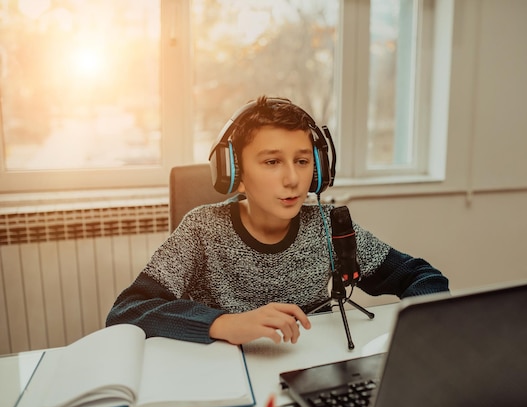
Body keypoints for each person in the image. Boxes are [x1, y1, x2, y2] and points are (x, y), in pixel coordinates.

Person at [106, 96, 448, 346]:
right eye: (271, 162)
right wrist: (224, 324)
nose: (292, 179)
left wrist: (417, 338)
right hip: (224, 374)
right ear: (235, 174)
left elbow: (423, 277)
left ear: (319, 170)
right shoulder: (202, 229)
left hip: (301, 367)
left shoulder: (328, 227)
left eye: (301, 161)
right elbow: (128, 310)